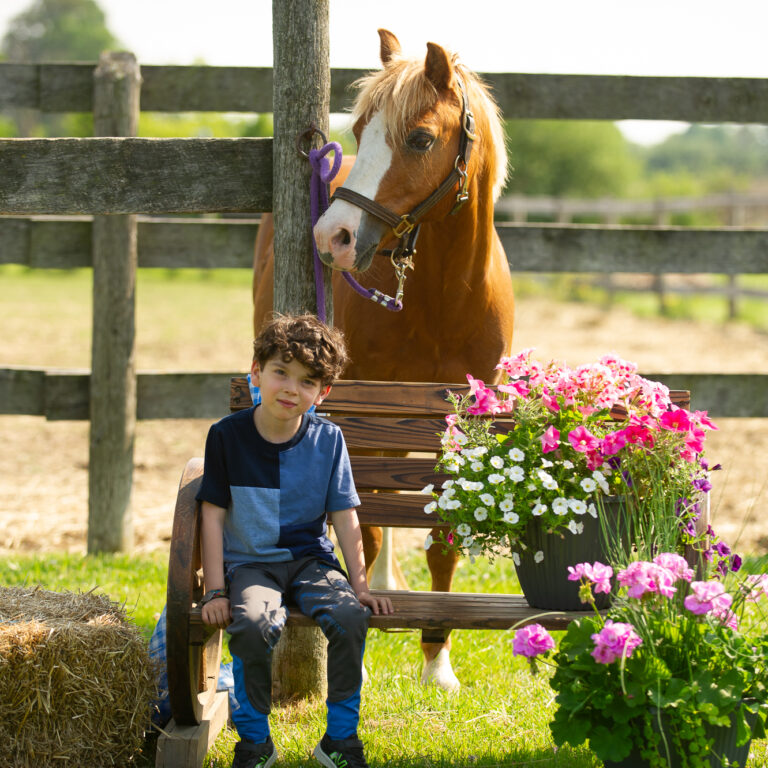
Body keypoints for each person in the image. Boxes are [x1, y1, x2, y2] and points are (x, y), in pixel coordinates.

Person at [197, 313, 393, 768]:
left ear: (322, 393)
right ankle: (255, 741)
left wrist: (360, 586)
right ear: (256, 372)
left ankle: (340, 740)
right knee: (251, 623)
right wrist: (214, 589)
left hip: (310, 562)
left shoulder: (328, 440)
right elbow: (211, 514)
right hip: (250, 565)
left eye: (307, 382)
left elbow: (345, 516)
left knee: (348, 616)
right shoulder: (226, 437)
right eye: (280, 372)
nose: (290, 388)